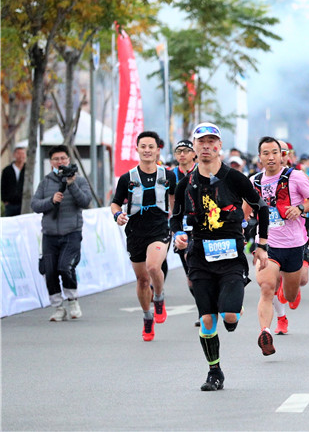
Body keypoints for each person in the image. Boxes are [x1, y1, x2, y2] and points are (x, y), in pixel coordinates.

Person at [171, 122, 270, 391]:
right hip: (199, 256)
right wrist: (178, 234)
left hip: (231, 255)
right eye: (201, 142)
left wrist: (262, 245)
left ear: (219, 147)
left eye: (211, 141)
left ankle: (233, 310)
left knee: (228, 316)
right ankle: (214, 372)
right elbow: (175, 218)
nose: (206, 146)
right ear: (194, 147)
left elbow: (261, 208)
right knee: (206, 320)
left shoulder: (234, 178)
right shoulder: (186, 184)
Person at [250, 137, 309, 354]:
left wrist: (300, 208)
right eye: (266, 153)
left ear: (283, 155)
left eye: (275, 152)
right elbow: (243, 211)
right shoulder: (254, 182)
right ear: (260, 157)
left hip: (294, 245)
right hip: (267, 245)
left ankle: (287, 292)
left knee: (291, 294)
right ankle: (265, 331)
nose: (271, 157)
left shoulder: (295, 177)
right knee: (266, 287)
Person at [111, 131, 177, 341]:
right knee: (141, 280)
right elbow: (115, 203)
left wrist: (174, 221)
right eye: (143, 146)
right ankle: (147, 317)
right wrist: (118, 215)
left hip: (159, 229)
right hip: (135, 231)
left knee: (153, 267)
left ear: (158, 149)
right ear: (137, 149)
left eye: (151, 146)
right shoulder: (127, 178)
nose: (147, 150)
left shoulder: (168, 175)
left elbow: (174, 199)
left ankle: (159, 297)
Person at [31, 145, 92, 321]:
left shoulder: (79, 180)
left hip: (72, 232)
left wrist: (71, 185)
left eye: (63, 158)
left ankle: (72, 301)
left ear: (68, 160)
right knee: (49, 271)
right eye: (56, 159)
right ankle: (58, 307)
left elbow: (85, 202)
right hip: (49, 234)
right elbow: (35, 205)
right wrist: (51, 201)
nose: (60, 162)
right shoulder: (45, 182)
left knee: (65, 267)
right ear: (51, 162)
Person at [171, 139, 200, 326]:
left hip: (202, 227)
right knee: (191, 277)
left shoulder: (202, 171)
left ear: (193, 154)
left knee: (202, 269)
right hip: (182, 228)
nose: (182, 154)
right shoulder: (170, 174)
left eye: (186, 150)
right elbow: (170, 200)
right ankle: (203, 307)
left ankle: (207, 307)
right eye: (179, 151)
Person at [2, 145, 26, 217]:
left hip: (24, 202)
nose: (21, 156)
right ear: (14, 155)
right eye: (19, 153)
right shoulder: (7, 170)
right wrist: (5, 200)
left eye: (23, 153)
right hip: (10, 204)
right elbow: (3, 186)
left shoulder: (27, 170)